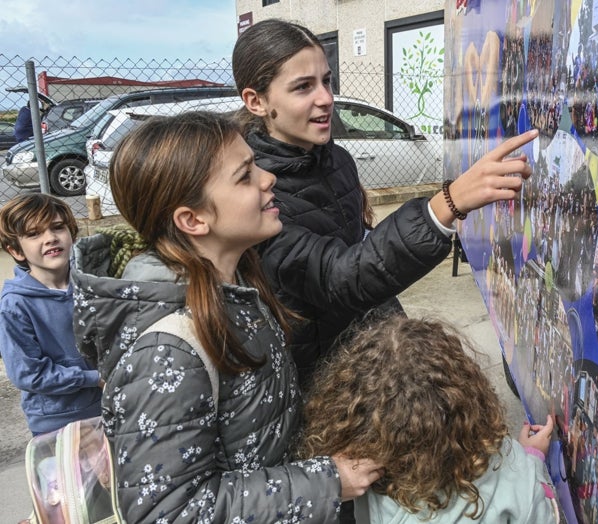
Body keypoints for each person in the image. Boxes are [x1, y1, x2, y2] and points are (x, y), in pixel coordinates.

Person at [70, 111, 383, 522]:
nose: (268, 178)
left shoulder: (237, 287)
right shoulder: (166, 349)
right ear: (193, 219)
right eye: (245, 175)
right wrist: (326, 481)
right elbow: (168, 512)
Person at [232, 18, 538, 389]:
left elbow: (363, 247)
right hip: (318, 379)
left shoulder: (336, 158)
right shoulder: (255, 193)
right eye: (302, 87)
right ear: (257, 101)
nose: (326, 98)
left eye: (326, 80)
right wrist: (447, 203)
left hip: (366, 353)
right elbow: (340, 277)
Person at [297, 315, 560, 523]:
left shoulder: (362, 475)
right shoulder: (515, 474)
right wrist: (531, 460)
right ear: (471, 392)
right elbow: (540, 512)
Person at [0, 193, 102, 437]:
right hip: (59, 424)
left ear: (72, 234)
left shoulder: (94, 283)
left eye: (57, 227)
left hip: (109, 407)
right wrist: (94, 378)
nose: (50, 238)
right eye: (34, 234)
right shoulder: (14, 305)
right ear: (16, 250)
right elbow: (29, 374)